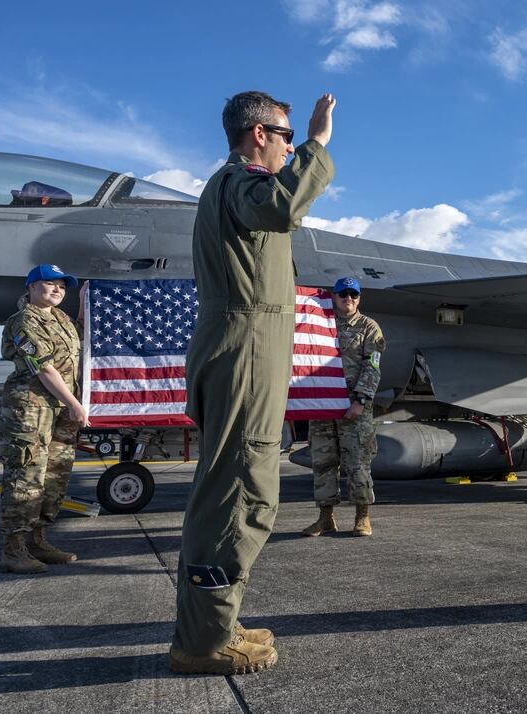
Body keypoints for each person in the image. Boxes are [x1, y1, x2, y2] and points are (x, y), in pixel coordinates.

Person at [169, 90, 336, 675]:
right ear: (259, 133)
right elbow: (283, 208)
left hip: (247, 346)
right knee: (240, 488)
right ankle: (204, 642)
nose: (291, 145)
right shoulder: (243, 179)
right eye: (285, 136)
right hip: (245, 350)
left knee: (232, 486)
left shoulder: (233, 186)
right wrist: (317, 144)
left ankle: (215, 620)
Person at [0, 264, 89, 574]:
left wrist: (88, 302)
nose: (57, 289)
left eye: (62, 286)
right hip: (31, 409)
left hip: (59, 411)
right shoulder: (23, 322)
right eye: (49, 284)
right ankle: (14, 549)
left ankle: (38, 541)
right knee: (26, 476)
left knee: (54, 476)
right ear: (32, 287)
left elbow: (80, 342)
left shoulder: (62, 320)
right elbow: (44, 368)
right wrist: (75, 403)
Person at [302, 276, 385, 538]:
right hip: (323, 405)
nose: (348, 298)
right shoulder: (319, 324)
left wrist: (360, 401)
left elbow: (372, 366)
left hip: (355, 407)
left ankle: (363, 517)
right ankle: (325, 518)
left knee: (357, 463)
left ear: (359, 298)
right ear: (334, 296)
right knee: (323, 462)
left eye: (353, 294)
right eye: (343, 294)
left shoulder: (369, 327)